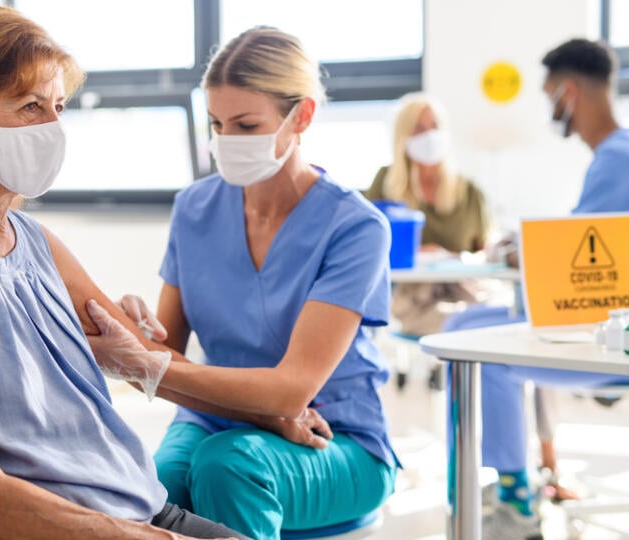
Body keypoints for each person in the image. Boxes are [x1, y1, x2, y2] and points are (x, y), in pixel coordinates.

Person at [0, 6, 249, 538]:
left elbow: (148, 358)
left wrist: (273, 415)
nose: (54, 127)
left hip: (128, 507)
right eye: (31, 107)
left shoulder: (35, 243)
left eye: (59, 106)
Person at [84, 26, 399, 540]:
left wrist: (147, 361)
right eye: (217, 124)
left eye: (247, 125)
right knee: (147, 489)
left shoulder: (355, 227)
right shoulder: (195, 209)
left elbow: (293, 390)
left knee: (228, 468)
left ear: (301, 116)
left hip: (336, 436)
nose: (227, 141)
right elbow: (172, 354)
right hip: (214, 420)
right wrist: (140, 337)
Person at [451, 37, 629, 538]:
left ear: (568, 93)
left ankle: (517, 497)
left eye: (548, 96)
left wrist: (522, 250)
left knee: (473, 345)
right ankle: (511, 480)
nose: (550, 109)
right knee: (465, 326)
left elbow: (584, 259)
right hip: (612, 324)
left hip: (616, 338)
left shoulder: (621, 158)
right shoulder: (624, 154)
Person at [363, 93, 489, 337]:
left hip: (463, 290)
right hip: (409, 297)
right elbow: (368, 245)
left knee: (480, 321)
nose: (429, 135)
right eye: (419, 128)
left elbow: (484, 253)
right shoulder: (386, 184)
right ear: (403, 136)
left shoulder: (469, 192)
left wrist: (449, 257)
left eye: (435, 126)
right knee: (457, 328)